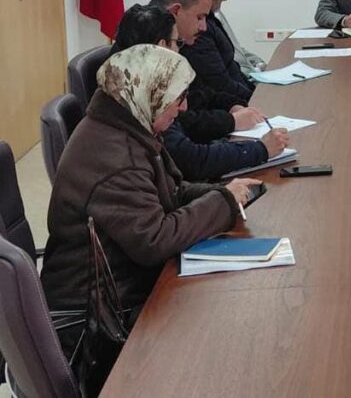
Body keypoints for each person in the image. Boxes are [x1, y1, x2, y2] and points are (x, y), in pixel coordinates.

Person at [40, 44, 260, 366]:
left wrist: (223, 193)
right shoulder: (116, 157)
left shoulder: (127, 124)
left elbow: (170, 191)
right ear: (149, 93)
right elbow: (154, 240)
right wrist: (223, 201)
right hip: (94, 322)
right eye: (177, 97)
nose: (184, 107)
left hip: (123, 287)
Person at [111, 4, 289, 181]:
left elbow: (200, 95)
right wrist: (260, 149)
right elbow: (190, 160)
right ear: (162, 46)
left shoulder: (130, 76)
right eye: (177, 43)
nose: (183, 107)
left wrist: (231, 107)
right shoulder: (140, 94)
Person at [149, 0, 264, 141]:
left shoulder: (180, 44)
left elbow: (201, 94)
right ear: (176, 11)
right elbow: (181, 125)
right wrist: (231, 121)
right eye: (199, 17)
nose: (203, 27)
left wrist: (232, 105)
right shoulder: (154, 53)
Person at [173, 0, 256, 102]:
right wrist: (258, 99)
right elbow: (220, 85)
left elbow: (232, 68)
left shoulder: (210, 17)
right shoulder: (196, 31)